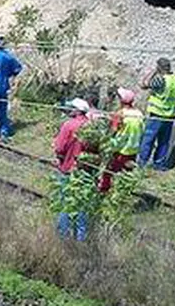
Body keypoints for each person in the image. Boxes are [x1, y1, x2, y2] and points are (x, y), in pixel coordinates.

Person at [54, 98, 92, 241]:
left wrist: (58, 154)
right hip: (86, 171)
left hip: (67, 168)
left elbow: (59, 148)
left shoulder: (68, 125)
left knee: (65, 202)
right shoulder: (91, 126)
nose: (69, 110)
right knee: (82, 204)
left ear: (77, 110)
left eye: (71, 108)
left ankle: (63, 237)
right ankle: (81, 238)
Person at [137, 58, 175, 170]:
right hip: (170, 115)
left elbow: (143, 84)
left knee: (148, 140)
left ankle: (142, 164)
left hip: (157, 114)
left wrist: (152, 72)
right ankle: (159, 165)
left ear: (159, 67)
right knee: (164, 141)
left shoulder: (161, 80)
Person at [99, 88, 144, 193]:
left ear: (121, 100)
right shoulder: (139, 114)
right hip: (134, 147)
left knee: (109, 171)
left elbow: (113, 130)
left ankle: (104, 190)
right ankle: (124, 191)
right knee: (127, 172)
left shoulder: (121, 114)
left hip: (121, 148)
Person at [0, 35, 23, 142]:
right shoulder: (8, 56)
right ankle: (4, 132)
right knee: (2, 111)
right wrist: (8, 74)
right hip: (3, 87)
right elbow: (18, 68)